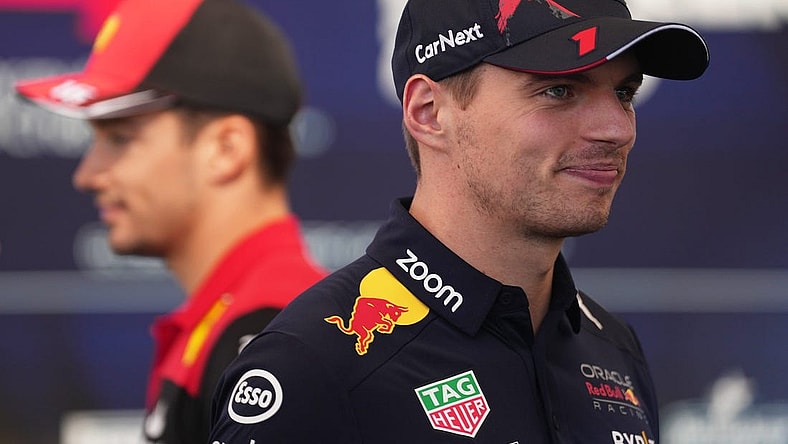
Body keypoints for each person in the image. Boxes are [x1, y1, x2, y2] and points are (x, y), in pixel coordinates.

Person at [209, 0, 709, 442]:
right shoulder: (311, 369)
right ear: (429, 112)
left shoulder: (613, 348)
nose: (616, 129)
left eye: (625, 92)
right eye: (559, 91)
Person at [14, 0, 327, 443]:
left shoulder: (272, 340)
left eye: (120, 138)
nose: (86, 175)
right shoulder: (235, 325)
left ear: (227, 149)